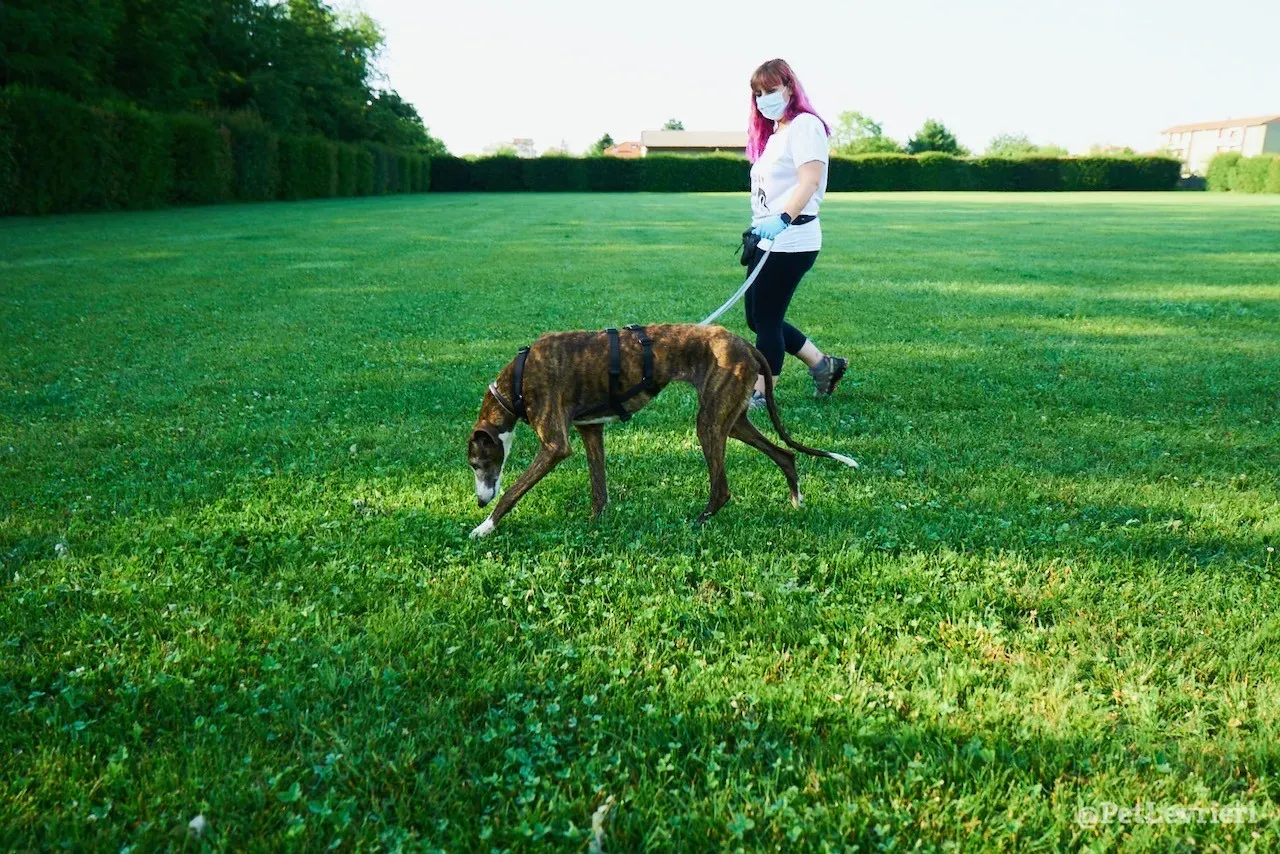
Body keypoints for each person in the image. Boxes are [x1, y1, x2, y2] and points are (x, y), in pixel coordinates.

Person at [743, 58, 847, 410]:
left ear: (789, 87)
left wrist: (782, 219)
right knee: (757, 317)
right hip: (769, 237)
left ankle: (761, 393)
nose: (763, 99)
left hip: (793, 237)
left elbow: (810, 181)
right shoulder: (776, 134)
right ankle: (824, 365)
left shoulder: (805, 125)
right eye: (758, 94)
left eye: (770, 90)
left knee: (767, 320)